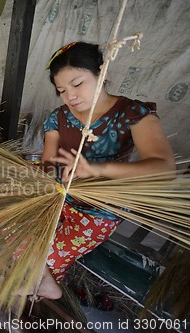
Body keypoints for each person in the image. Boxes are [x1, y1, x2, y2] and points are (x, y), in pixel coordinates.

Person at [35, 42, 175, 299]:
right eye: (62, 90)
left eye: (77, 84)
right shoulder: (57, 117)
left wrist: (96, 168)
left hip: (99, 209)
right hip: (57, 196)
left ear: (102, 72)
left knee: (49, 254)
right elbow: (48, 162)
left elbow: (164, 169)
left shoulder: (132, 114)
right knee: (14, 227)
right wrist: (43, 181)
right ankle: (41, 279)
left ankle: (45, 283)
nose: (70, 97)